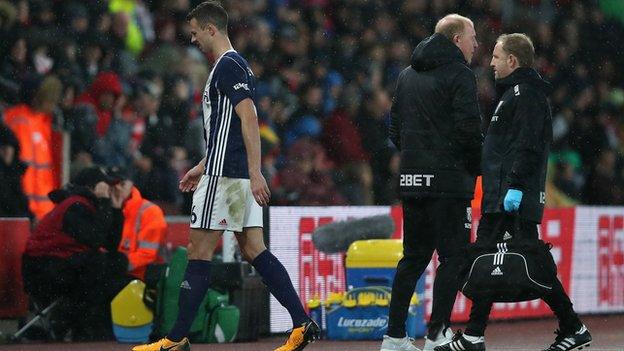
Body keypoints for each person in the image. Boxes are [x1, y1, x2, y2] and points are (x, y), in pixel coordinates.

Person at [132, 2, 319, 351]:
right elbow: (226, 130)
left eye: (195, 32)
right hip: (227, 172)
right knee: (253, 249)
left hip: (226, 177)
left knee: (197, 250)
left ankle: (174, 339)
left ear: (211, 29)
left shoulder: (228, 66)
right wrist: (202, 164)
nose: (192, 40)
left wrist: (253, 170)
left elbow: (248, 118)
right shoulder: (235, 66)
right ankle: (301, 322)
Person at [434, 34, 591, 351]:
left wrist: (516, 188)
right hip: (500, 196)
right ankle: (477, 335)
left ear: (512, 61)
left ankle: (571, 327)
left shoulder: (526, 94)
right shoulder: (513, 95)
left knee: (517, 259)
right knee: (492, 260)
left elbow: (528, 146)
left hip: (511, 198)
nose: (490, 62)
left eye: (496, 56)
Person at [381, 14, 482, 351]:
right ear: (456, 40)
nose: (476, 44)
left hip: (412, 180)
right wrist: (473, 167)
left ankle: (394, 337)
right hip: (449, 185)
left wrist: (416, 157)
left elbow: (394, 130)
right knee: (453, 258)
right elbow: (469, 131)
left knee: (413, 258)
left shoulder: (407, 76)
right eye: (472, 37)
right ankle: (436, 333)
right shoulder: (460, 75)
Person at [21, 166, 130, 340]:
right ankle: (78, 324)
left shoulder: (85, 205)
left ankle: (89, 324)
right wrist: (104, 202)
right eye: (106, 186)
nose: (109, 191)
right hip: (41, 271)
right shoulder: (75, 206)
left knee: (117, 261)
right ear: (93, 187)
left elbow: (110, 245)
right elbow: (94, 240)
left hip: (60, 265)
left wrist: (116, 209)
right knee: (97, 263)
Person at [3, 75, 63, 220]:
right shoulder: (20, 122)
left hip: (40, 210)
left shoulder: (41, 122)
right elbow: (22, 170)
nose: (52, 103)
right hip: (25, 210)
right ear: (36, 97)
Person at [109, 167, 167, 281]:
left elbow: (147, 255)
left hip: (142, 280)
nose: (117, 188)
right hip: (115, 276)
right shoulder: (106, 208)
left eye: (122, 184)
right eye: (112, 184)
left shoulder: (150, 212)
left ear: (132, 184)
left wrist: (116, 266)